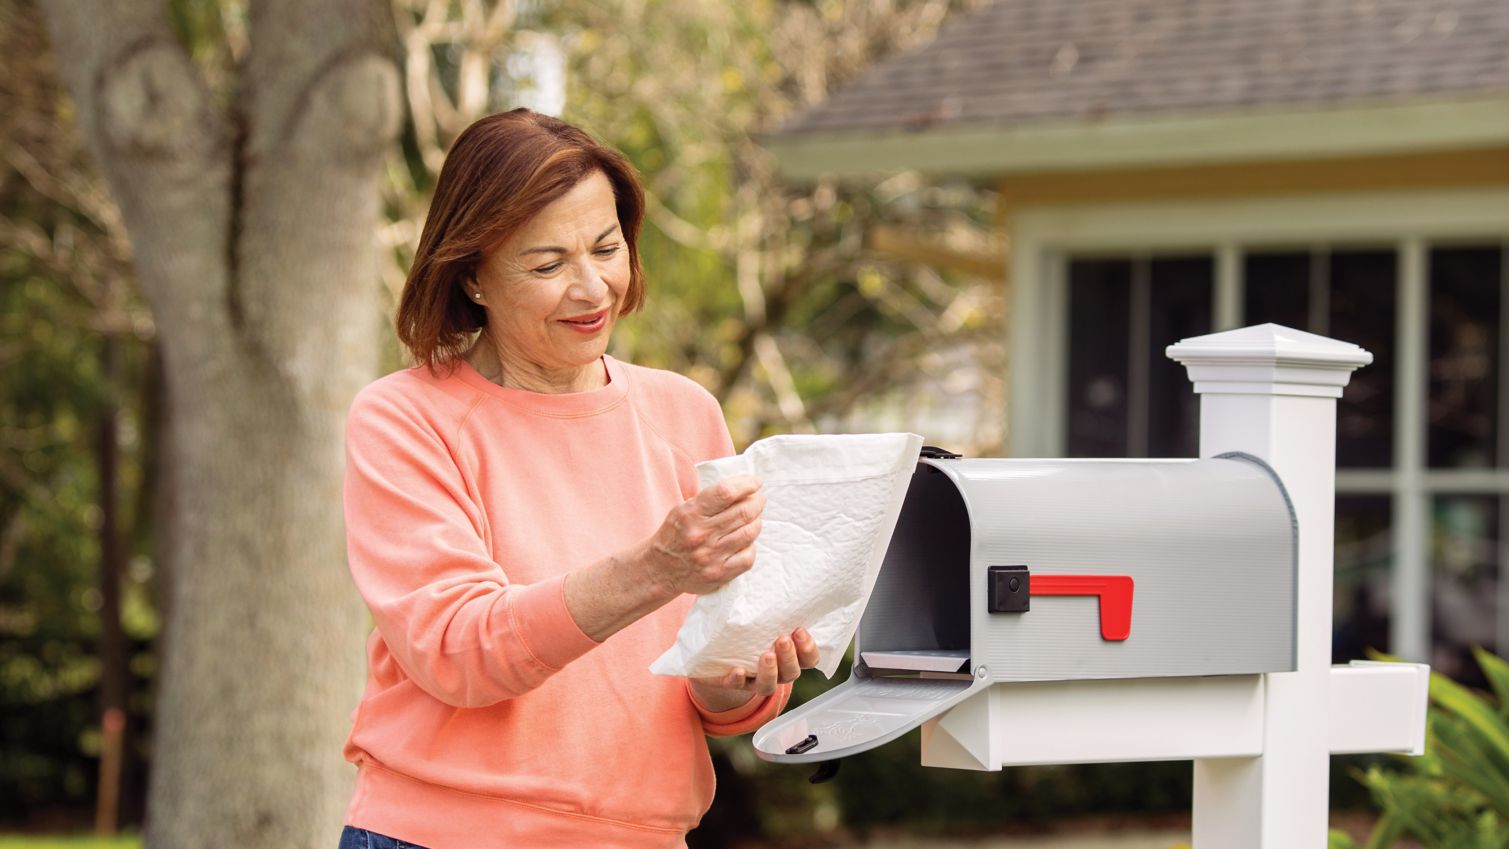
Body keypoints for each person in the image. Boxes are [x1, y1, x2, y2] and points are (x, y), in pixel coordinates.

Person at [338, 109, 819, 849]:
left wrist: (737, 680)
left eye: (606, 247)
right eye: (546, 264)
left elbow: (710, 680)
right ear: (471, 275)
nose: (591, 287)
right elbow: (459, 651)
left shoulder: (684, 413)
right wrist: (654, 568)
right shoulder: (405, 418)